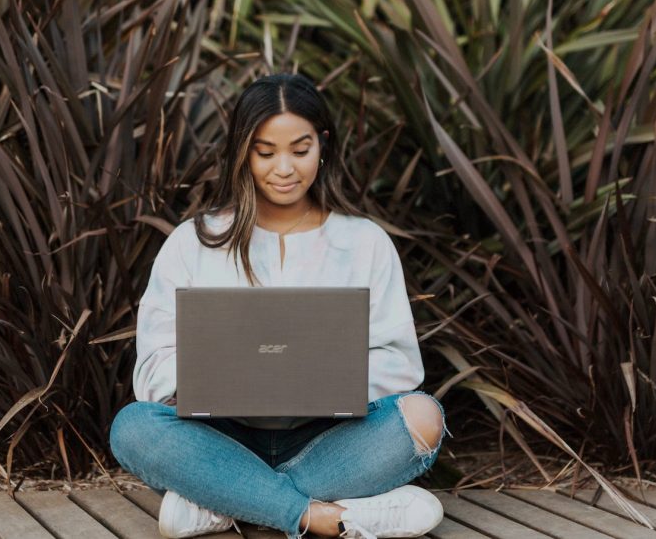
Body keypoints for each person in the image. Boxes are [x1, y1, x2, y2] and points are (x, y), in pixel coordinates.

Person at [109, 73, 450, 539]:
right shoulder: (194, 242)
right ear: (242, 151)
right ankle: (320, 515)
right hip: (221, 437)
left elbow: (399, 364)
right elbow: (153, 365)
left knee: (424, 417)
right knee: (133, 427)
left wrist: (322, 383)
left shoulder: (364, 242)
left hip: (329, 440)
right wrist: (224, 382)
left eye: (300, 149)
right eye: (265, 152)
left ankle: (225, 503)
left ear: (323, 144)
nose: (284, 168)